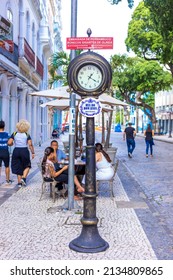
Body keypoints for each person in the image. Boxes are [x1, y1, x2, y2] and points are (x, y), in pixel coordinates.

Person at [8, 119, 35, 187]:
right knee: (27, 165)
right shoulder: (27, 134)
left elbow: (9, 142)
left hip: (16, 151)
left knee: (18, 166)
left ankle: (19, 183)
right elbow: (30, 144)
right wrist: (33, 152)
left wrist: (12, 144)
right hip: (24, 151)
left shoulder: (14, 133)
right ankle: (23, 178)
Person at [0, 120, 13, 184]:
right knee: (7, 166)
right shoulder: (8, 134)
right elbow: (11, 143)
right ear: (4, 127)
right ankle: (7, 180)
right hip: (5, 152)